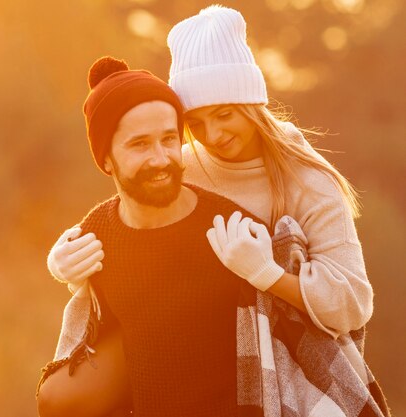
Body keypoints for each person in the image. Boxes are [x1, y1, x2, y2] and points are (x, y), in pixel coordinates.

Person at [41, 5, 389, 417]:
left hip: (273, 368)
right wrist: (63, 265)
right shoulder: (182, 164)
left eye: (225, 115)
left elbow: (351, 305)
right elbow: (133, 224)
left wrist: (268, 275)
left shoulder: (309, 183)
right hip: (182, 365)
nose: (214, 136)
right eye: (196, 123)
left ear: (252, 102)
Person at [37, 55, 276, 416]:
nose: (161, 158)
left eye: (169, 139)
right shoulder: (98, 236)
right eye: (140, 145)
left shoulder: (231, 229)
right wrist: (61, 269)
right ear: (106, 159)